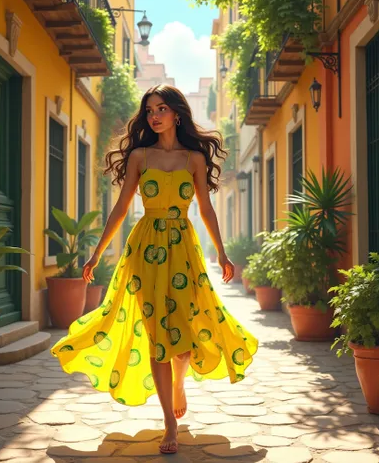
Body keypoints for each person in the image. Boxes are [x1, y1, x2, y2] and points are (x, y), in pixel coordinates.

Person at [51, 84, 258, 454]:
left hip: (183, 249)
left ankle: (180, 381)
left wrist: (224, 255)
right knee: (158, 335)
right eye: (149, 111)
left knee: (184, 336)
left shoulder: (194, 158)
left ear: (176, 113)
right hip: (145, 250)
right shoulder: (139, 157)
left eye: (161, 109)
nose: (155, 116)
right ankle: (169, 424)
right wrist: (97, 252)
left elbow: (207, 210)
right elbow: (120, 207)